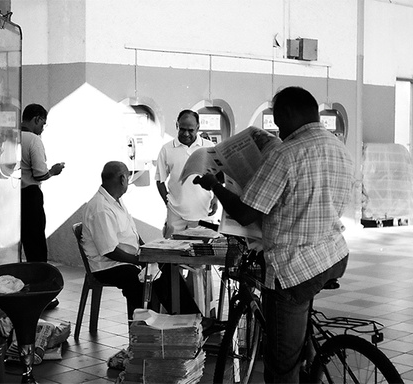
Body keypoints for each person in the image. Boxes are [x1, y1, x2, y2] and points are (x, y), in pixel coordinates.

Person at [194, 87, 354, 383]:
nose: (278, 128)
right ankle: (307, 356)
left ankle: (295, 361)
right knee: (295, 333)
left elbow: (244, 213)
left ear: (289, 114)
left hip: (295, 267)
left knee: (281, 366)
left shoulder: (286, 153)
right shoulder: (338, 148)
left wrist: (216, 186)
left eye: (278, 120)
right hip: (332, 254)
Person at [81, 161, 206, 320]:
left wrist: (147, 250)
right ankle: (144, 329)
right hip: (108, 266)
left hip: (126, 259)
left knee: (166, 265)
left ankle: (190, 318)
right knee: (138, 278)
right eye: (127, 178)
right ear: (122, 179)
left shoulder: (115, 200)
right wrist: (139, 260)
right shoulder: (101, 208)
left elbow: (131, 233)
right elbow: (110, 251)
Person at [20, 104, 65, 308]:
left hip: (11, 196)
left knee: (20, 245)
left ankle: (21, 289)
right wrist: (54, 171)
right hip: (30, 196)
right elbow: (39, 173)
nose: (42, 128)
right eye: (43, 124)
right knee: (36, 246)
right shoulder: (33, 140)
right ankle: (42, 295)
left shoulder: (9, 137)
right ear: (37, 119)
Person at [155, 109, 218, 239]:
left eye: (191, 130)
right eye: (182, 129)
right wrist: (168, 202)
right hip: (175, 214)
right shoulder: (167, 149)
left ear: (198, 128)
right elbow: (159, 180)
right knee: (173, 253)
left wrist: (216, 198)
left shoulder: (209, 147)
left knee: (201, 254)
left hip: (202, 211)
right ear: (177, 126)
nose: (186, 134)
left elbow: (218, 176)